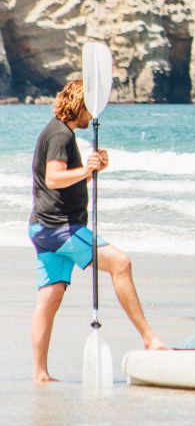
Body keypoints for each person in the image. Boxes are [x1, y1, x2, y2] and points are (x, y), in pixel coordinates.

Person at [29, 79, 165, 383]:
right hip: (61, 228)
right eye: (91, 108)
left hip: (42, 227)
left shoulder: (56, 131)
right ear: (80, 105)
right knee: (121, 263)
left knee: (49, 300)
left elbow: (66, 182)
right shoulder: (61, 136)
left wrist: (92, 171)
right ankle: (149, 338)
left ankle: (40, 373)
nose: (93, 116)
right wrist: (87, 170)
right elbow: (54, 179)